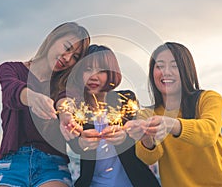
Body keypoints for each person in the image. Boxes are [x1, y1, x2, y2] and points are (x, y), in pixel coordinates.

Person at [0, 22, 90, 187]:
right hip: (11, 162)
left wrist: (66, 115)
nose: (68, 58)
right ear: (52, 39)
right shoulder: (10, 69)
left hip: (52, 164)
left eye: (75, 57)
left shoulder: (67, 84)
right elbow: (11, 91)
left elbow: (65, 100)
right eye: (67, 47)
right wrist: (33, 98)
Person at [125, 42, 222, 186]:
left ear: (187, 70)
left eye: (174, 66)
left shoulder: (208, 99)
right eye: (160, 66)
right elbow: (149, 158)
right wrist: (146, 137)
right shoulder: (147, 114)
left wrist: (171, 124)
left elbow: (209, 133)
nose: (166, 72)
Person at [57, 45, 161, 187]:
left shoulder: (125, 100)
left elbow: (137, 137)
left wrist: (125, 137)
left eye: (101, 70)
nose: (94, 76)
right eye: (88, 69)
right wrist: (82, 143)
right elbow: (75, 145)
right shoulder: (74, 108)